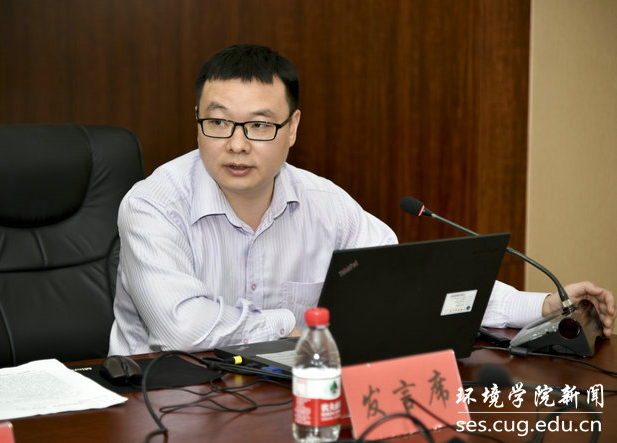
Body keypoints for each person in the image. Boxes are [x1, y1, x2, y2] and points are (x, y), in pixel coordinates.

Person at [108, 44, 614, 355]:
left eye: (260, 125)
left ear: (292, 128)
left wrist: (544, 305)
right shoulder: (153, 206)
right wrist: (293, 324)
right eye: (218, 122)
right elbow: (183, 330)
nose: (237, 144)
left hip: (279, 402)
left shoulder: (325, 204)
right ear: (197, 120)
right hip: (163, 399)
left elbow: (413, 283)